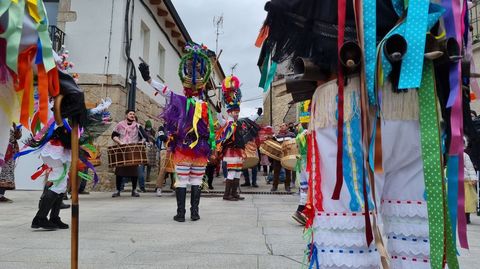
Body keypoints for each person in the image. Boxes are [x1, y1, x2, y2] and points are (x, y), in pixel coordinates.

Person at [139, 44, 216, 222]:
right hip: (201, 149)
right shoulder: (205, 107)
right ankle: (194, 213)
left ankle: (181, 214)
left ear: (185, 88)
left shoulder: (180, 100)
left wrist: (149, 80)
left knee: (181, 180)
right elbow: (212, 128)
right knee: (196, 181)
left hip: (183, 148)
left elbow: (165, 91)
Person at [216, 75, 261, 201]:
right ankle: (227, 194)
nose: (236, 114)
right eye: (234, 112)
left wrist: (257, 114)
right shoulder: (227, 123)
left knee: (237, 172)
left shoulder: (240, 122)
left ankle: (234, 193)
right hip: (230, 151)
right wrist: (219, 111)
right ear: (229, 112)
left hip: (239, 151)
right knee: (231, 172)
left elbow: (249, 119)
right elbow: (219, 120)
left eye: (237, 112)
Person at [111, 110, 146, 198]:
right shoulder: (120, 125)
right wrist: (120, 142)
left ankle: (134, 190)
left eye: (133, 114)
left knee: (134, 171)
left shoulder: (138, 126)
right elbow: (113, 136)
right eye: (130, 114)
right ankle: (118, 190)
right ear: (126, 115)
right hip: (122, 149)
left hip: (133, 150)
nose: (132, 115)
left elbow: (144, 137)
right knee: (119, 171)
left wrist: (141, 143)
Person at [0, 123, 22, 203]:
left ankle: (1, 195)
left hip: (10, 152)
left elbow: (18, 137)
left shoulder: (13, 123)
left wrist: (17, 129)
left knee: (5, 174)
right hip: (2, 149)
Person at [271, 123, 295, 192]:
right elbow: (274, 144)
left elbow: (294, 143)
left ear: (287, 127)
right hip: (278, 155)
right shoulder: (277, 136)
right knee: (276, 171)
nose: (281, 127)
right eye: (280, 126)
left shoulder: (292, 135)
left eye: (283, 126)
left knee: (288, 171)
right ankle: (274, 186)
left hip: (287, 155)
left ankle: (287, 186)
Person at [464, 145, 478, 224]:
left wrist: (473, 178)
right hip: (455, 183)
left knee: (467, 202)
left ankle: (466, 217)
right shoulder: (451, 155)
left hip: (466, 182)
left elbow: (470, 168)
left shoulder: (465, 156)